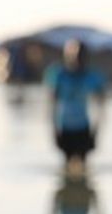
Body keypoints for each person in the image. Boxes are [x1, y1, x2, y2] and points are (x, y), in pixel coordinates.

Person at [45, 39, 106, 174]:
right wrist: (54, 129)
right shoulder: (59, 75)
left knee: (84, 168)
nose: (78, 59)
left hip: (83, 127)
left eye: (81, 55)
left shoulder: (92, 76)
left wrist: (97, 130)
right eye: (74, 55)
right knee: (66, 167)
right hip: (65, 127)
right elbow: (52, 104)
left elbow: (101, 105)